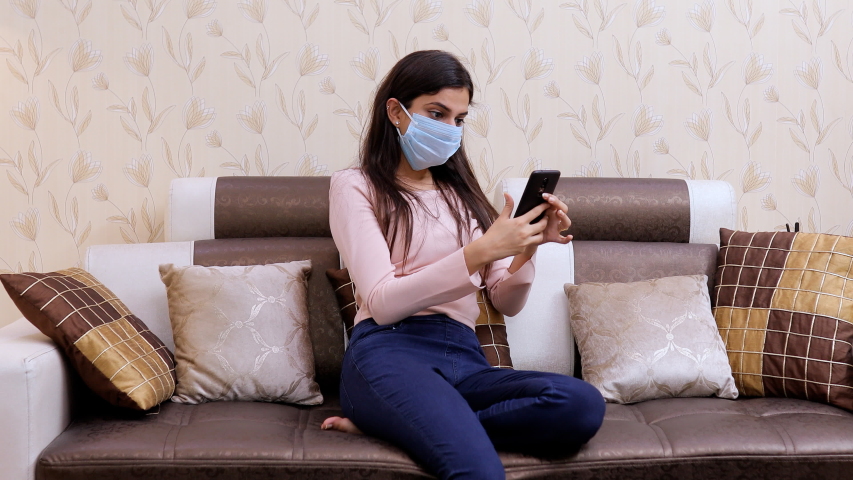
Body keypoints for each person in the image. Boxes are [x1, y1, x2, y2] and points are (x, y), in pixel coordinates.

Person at [321, 50, 605, 479]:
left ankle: (400, 426)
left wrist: (529, 247)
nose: (450, 129)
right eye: (436, 113)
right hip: (388, 351)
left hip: (464, 359)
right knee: (476, 468)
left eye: (459, 119)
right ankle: (412, 421)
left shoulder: (463, 197)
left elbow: (506, 301)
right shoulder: (356, 186)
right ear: (397, 112)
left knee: (582, 405)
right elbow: (382, 301)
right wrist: (480, 252)